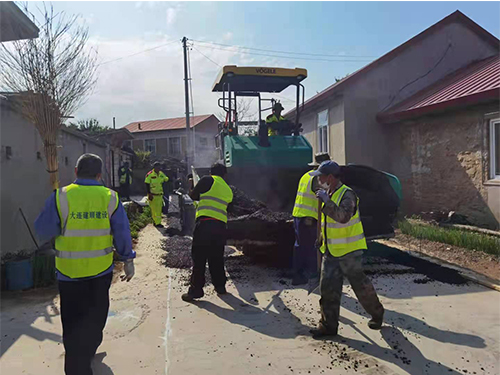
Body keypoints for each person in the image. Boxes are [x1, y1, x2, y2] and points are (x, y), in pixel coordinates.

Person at [34, 153, 136, 375]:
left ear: (76, 172)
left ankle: (78, 362)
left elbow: (42, 230)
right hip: (100, 273)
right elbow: (122, 233)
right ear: (100, 175)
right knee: (96, 317)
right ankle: (85, 357)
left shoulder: (60, 197)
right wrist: (128, 260)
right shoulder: (110, 197)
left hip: (68, 274)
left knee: (72, 323)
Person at [309, 160, 384, 338]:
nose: (318, 179)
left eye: (321, 176)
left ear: (330, 177)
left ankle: (377, 314)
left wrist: (327, 203)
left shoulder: (347, 194)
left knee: (361, 287)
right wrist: (321, 239)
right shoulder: (330, 192)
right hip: (332, 251)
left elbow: (343, 217)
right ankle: (328, 326)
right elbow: (328, 224)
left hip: (349, 252)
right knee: (327, 290)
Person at [181, 162, 233, 302]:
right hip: (221, 227)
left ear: (211, 172)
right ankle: (220, 286)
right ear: (225, 174)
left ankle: (196, 290)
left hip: (205, 224)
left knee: (199, 258)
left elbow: (193, 196)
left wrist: (191, 185)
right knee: (216, 257)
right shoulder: (228, 189)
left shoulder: (207, 180)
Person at [291, 152, 331, 285]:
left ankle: (299, 275)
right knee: (311, 247)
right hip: (309, 217)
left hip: (299, 214)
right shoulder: (318, 178)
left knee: (300, 246)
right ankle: (310, 275)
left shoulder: (306, 175)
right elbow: (321, 195)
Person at [145, 162, 169, 228]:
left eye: (159, 167)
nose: (159, 169)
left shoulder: (161, 174)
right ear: (154, 167)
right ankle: (155, 222)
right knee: (153, 209)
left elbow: (166, 179)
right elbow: (147, 184)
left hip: (159, 194)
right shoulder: (149, 174)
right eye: (157, 167)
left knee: (159, 209)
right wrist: (149, 193)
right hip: (152, 195)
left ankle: (157, 222)